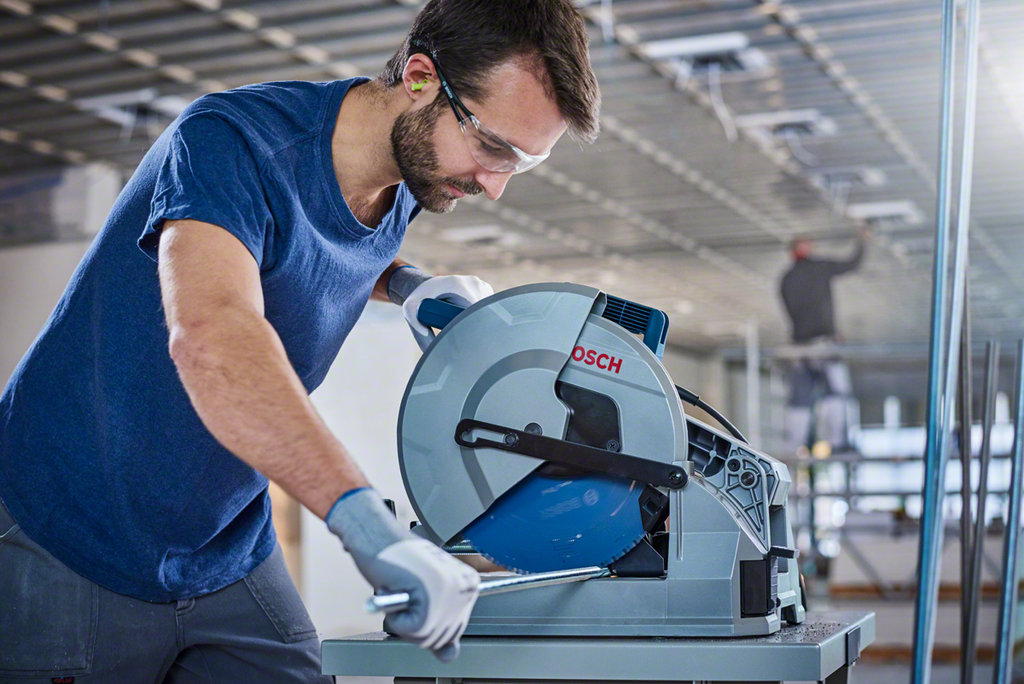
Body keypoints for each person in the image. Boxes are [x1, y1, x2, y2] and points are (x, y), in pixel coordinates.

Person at [0, 1, 601, 681]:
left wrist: (408, 285)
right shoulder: (229, 141)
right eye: (493, 148)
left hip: (222, 537)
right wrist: (367, 527)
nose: (495, 188)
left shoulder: (409, 175)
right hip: (72, 523)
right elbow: (212, 335)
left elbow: (311, 244)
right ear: (420, 79)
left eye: (522, 164)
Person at [779, 230, 869, 454]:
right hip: (824, 344)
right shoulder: (819, 268)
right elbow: (852, 263)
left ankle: (791, 451)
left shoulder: (786, 279)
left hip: (799, 348)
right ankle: (837, 444)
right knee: (835, 393)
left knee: (799, 400)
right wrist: (862, 240)